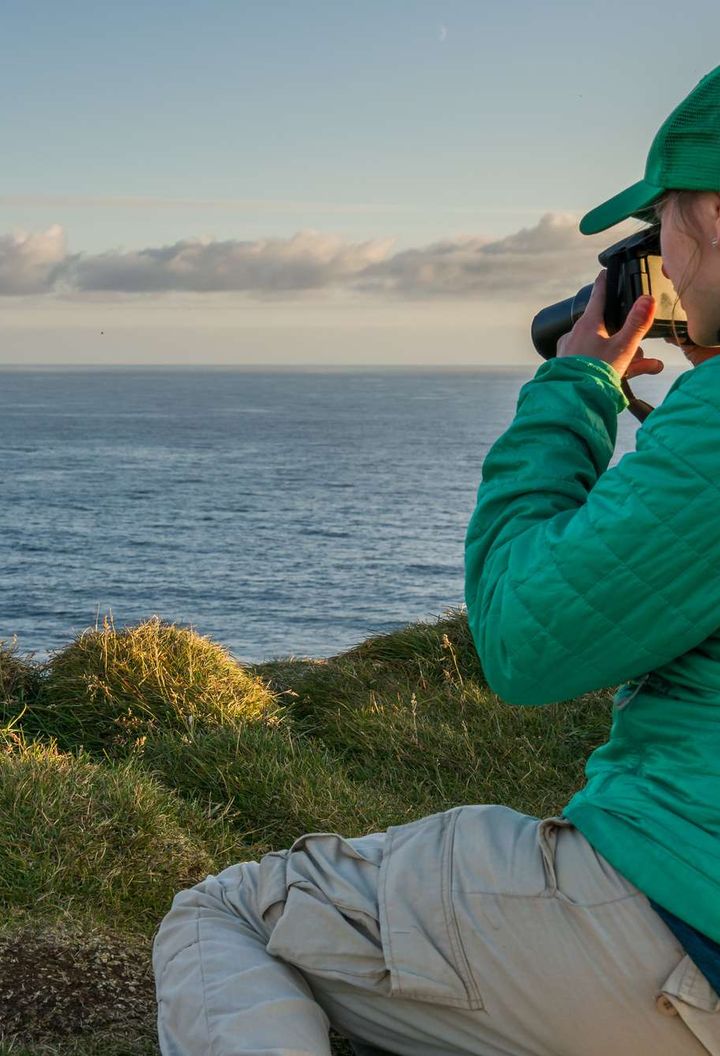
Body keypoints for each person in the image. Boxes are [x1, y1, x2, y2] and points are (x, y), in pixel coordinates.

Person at [151, 66, 720, 1056]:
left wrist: (578, 388)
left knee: (229, 915)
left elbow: (523, 640)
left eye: (662, 224)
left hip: (678, 927)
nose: (660, 258)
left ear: (712, 212)